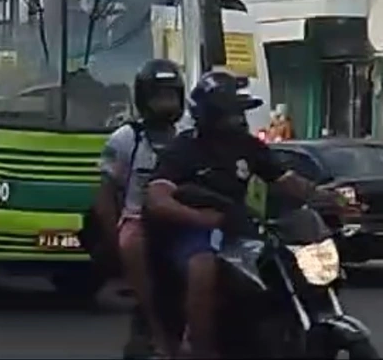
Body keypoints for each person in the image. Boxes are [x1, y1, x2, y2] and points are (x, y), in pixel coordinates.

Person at [144, 70, 340, 358]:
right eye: (229, 114)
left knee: (282, 260)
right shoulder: (184, 149)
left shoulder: (247, 146)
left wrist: (328, 197)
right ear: (208, 116)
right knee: (203, 266)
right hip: (197, 229)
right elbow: (157, 198)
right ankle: (200, 347)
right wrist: (199, 217)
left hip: (239, 227)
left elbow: (286, 182)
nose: (237, 120)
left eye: (239, 113)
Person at [95, 59, 185, 358]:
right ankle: (154, 326)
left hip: (184, 219)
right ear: (144, 99)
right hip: (139, 221)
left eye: (171, 96)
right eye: (159, 97)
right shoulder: (126, 139)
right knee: (131, 244)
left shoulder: (188, 137)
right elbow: (105, 194)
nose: (166, 104)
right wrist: (112, 239)